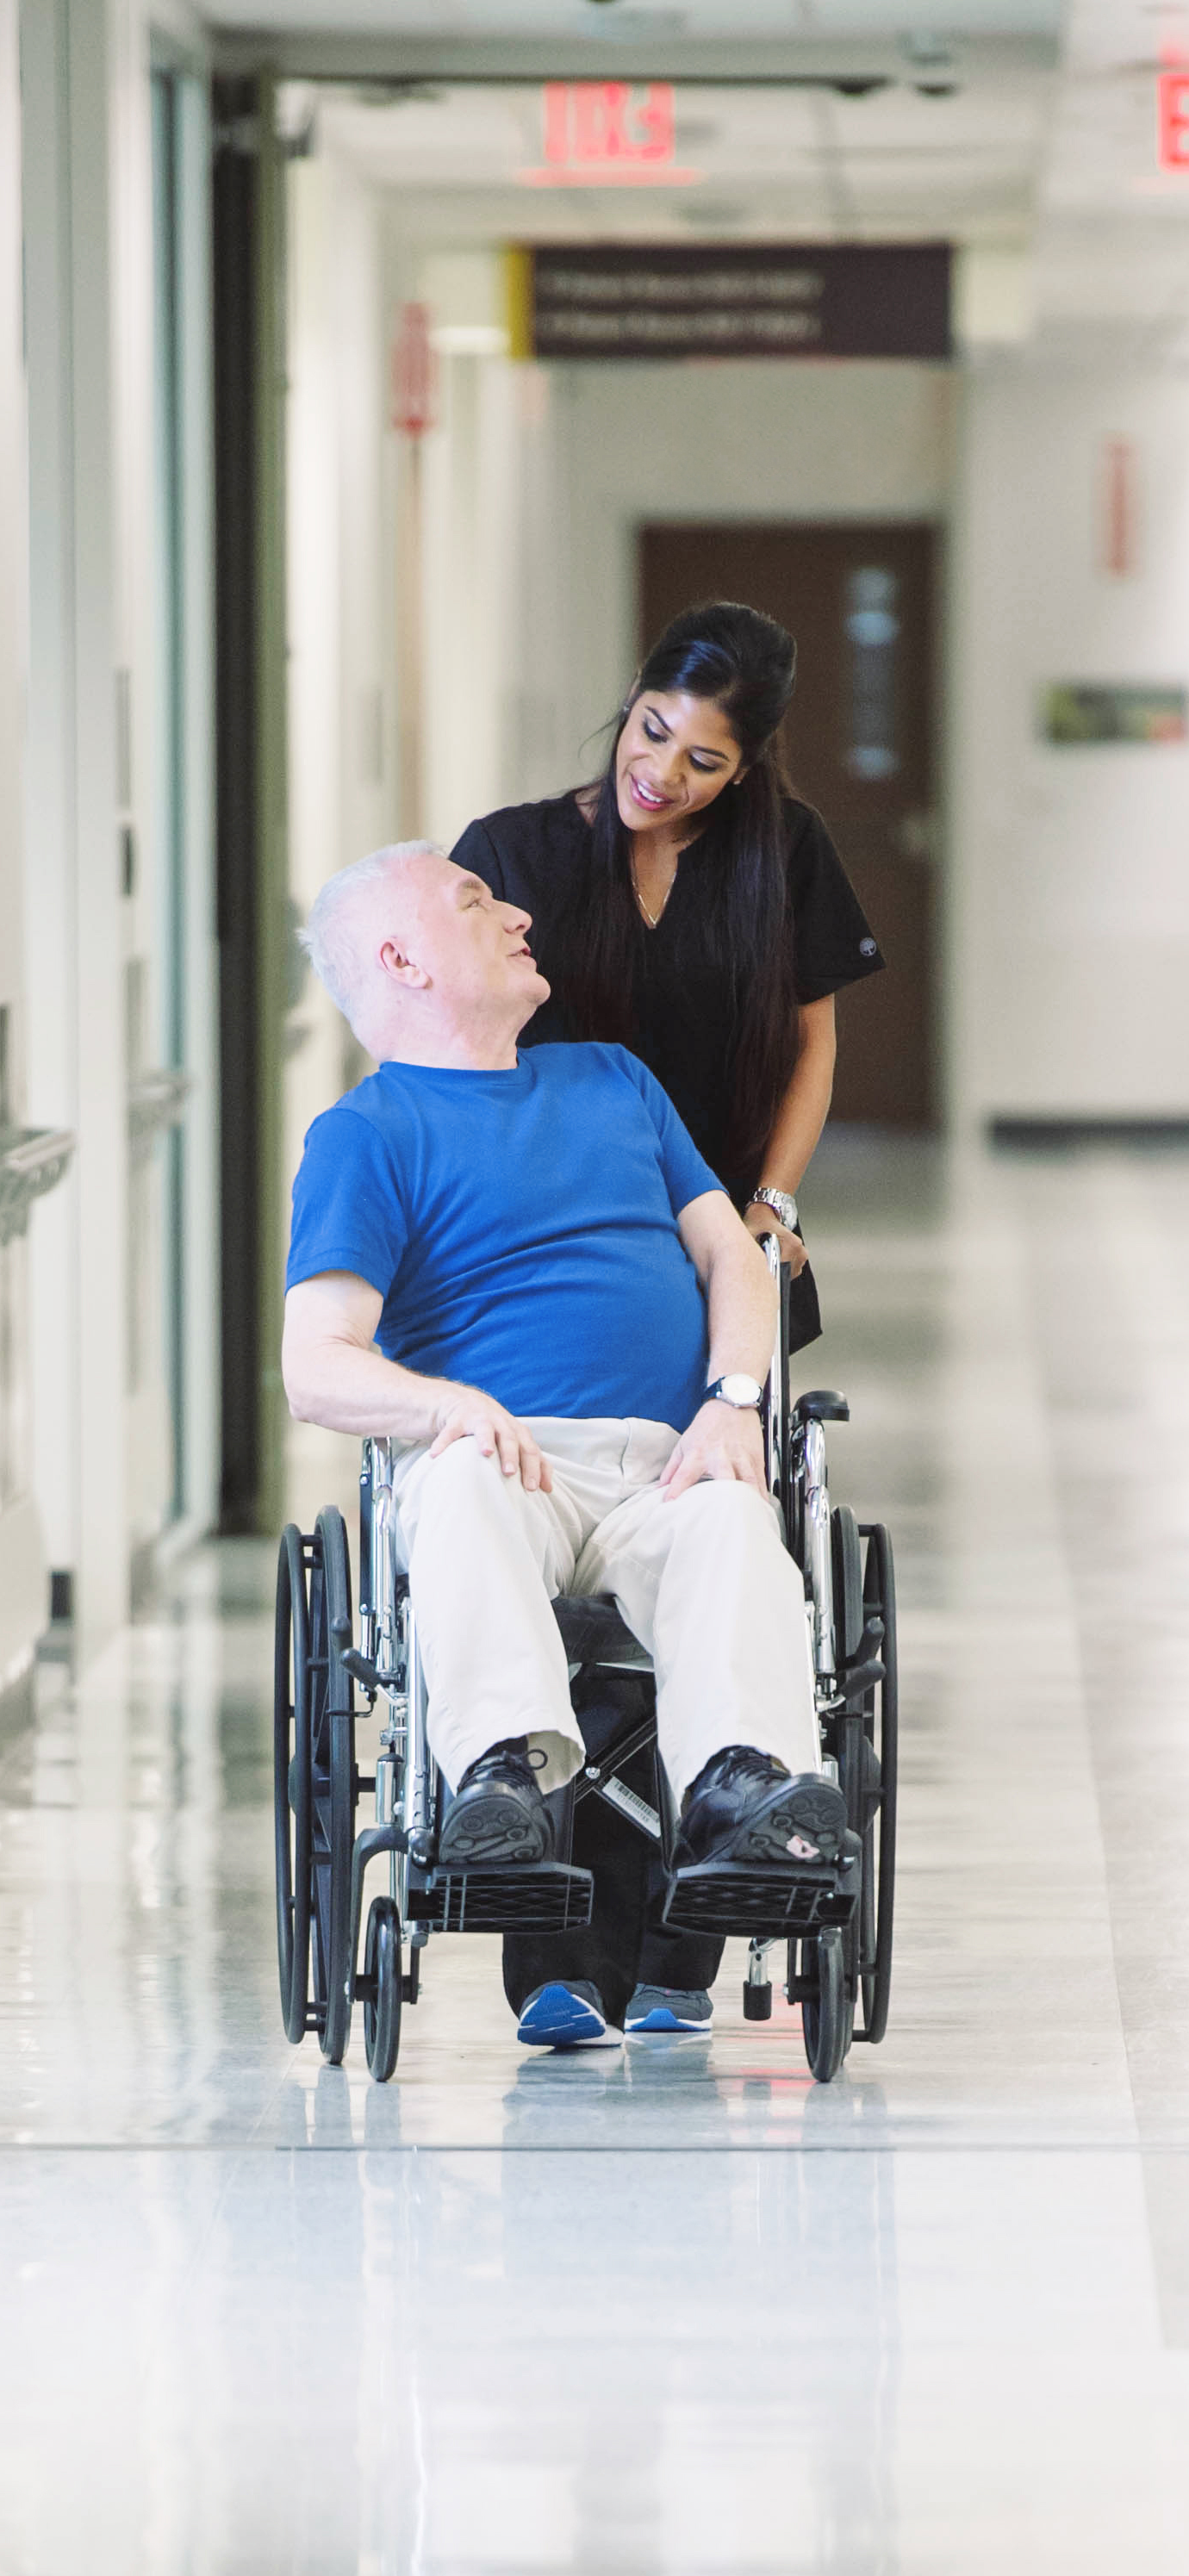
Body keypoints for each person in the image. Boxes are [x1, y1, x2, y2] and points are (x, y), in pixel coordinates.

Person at [281, 842, 854, 2053]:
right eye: (478, 900)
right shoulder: (367, 1132)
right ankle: (502, 1783)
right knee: (461, 1491)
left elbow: (728, 1259)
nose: (518, 909)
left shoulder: (613, 1081)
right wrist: (442, 1407)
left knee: (731, 1517)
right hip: (504, 1461)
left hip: (665, 1455)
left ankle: (742, 1787)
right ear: (400, 957)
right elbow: (315, 1364)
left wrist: (732, 1400)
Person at [451, 595, 883, 2039]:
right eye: (653, 733)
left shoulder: (777, 860)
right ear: (628, 701)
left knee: (700, 1544)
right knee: (556, 1579)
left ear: (747, 768)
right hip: (547, 1256)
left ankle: (692, 1936)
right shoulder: (515, 856)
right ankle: (559, 1951)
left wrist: (767, 1203)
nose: (663, 774)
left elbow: (813, 1037)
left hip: (720, 1254)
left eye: (702, 760)